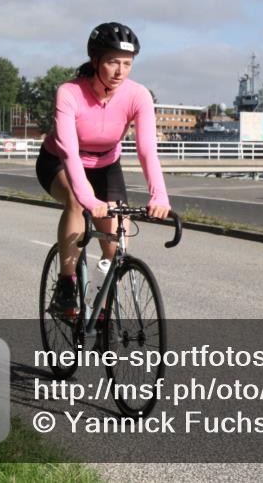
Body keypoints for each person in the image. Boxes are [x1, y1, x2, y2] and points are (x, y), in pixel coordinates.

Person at [36, 22, 171, 318]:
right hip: (59, 162)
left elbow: (147, 150)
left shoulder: (138, 95)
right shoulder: (70, 92)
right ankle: (66, 285)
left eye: (127, 63)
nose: (120, 71)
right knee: (75, 201)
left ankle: (101, 307)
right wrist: (88, 199)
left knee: (115, 248)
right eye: (112, 62)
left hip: (106, 165)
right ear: (95, 60)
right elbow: (69, 152)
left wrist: (159, 196)